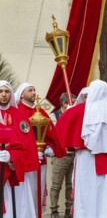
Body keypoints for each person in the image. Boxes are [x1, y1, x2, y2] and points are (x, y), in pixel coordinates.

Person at [56, 80, 107, 218]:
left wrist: (69, 113)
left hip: (87, 159)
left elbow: (61, 129)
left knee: (87, 195)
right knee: (106, 195)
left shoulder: (77, 111)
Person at [14, 82, 66, 217]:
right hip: (25, 160)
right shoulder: (18, 111)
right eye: (30, 90)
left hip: (41, 159)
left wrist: (51, 147)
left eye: (34, 90)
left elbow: (50, 132)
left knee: (39, 188)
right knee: (27, 191)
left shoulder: (40, 111)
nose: (33, 92)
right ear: (21, 95)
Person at [0, 80, 38, 218]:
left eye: (6, 91)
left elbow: (26, 145)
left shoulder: (20, 116)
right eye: (1, 91)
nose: (4, 95)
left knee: (19, 207)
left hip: (16, 170)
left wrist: (11, 156)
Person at [49, 93, 77, 218]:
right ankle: (54, 210)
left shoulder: (76, 114)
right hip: (61, 154)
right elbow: (55, 133)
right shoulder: (54, 116)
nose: (76, 104)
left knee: (71, 184)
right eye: (73, 102)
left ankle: (68, 210)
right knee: (56, 184)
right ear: (64, 103)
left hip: (74, 154)